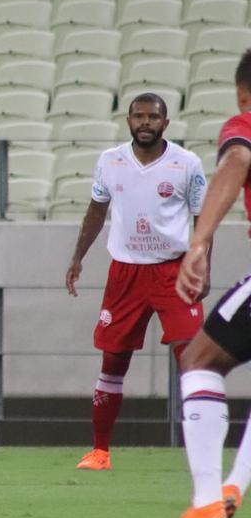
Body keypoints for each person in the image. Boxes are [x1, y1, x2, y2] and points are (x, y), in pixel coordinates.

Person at [65, 93, 208, 472]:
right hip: (125, 272)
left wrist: (202, 263)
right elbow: (97, 211)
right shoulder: (110, 161)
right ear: (128, 120)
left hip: (173, 271)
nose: (145, 122)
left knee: (192, 358)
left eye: (153, 117)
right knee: (113, 360)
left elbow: (202, 218)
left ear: (166, 123)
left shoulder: (186, 163)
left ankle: (203, 453)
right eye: (139, 116)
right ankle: (100, 452)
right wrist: (78, 256)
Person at [155, 49, 251, 518]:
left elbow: (237, 160)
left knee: (199, 360)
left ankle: (206, 503)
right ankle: (232, 487)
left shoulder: (244, 122)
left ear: (242, 93)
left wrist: (198, 243)